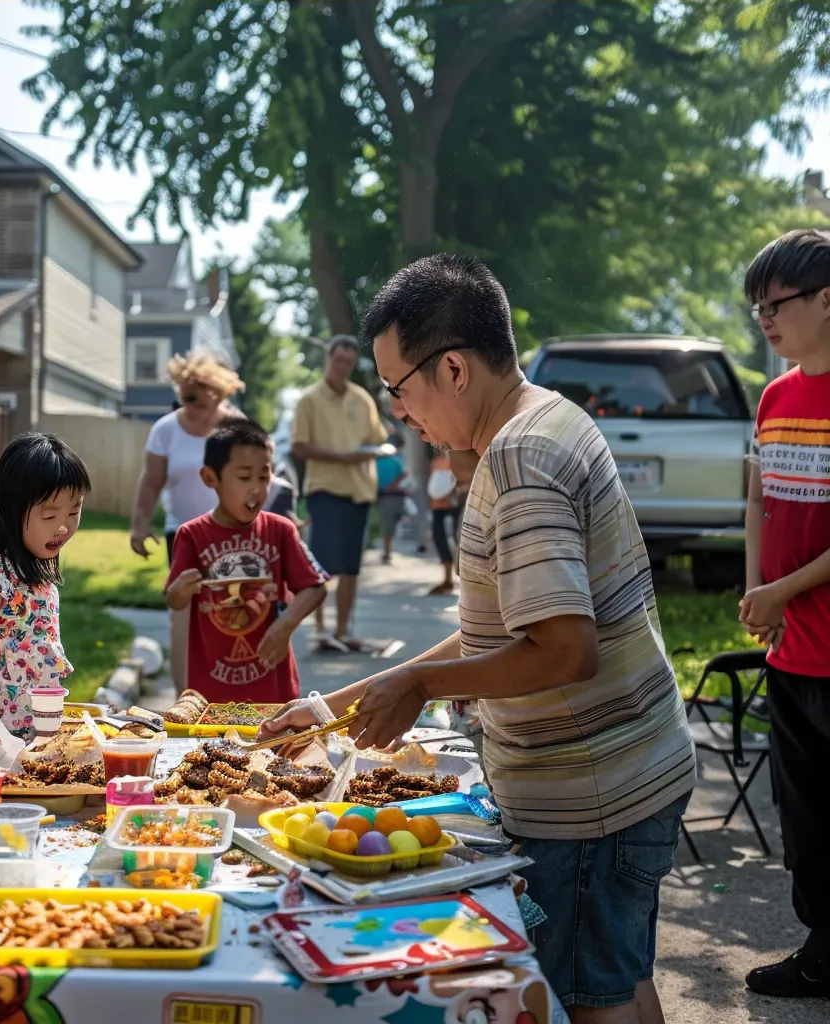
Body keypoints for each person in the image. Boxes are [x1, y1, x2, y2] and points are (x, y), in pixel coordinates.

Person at [262, 254, 695, 1024]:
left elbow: (564, 652)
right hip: (625, 775)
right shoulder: (546, 418)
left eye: (399, 388)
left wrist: (423, 686)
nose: (398, 412)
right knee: (618, 980)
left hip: (592, 794)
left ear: (453, 367)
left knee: (589, 1000)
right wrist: (333, 705)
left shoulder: (523, 456)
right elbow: (487, 636)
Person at [737, 228, 830, 1001]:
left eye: (777, 303)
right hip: (789, 649)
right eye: (757, 307)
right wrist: (756, 591)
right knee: (804, 819)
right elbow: (759, 499)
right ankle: (821, 953)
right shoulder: (774, 396)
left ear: (827, 299)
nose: (764, 318)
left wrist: (785, 589)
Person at [165, 418, 328, 704]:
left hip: (273, 688)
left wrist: (285, 625)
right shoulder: (192, 534)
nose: (257, 488)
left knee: (273, 748)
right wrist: (179, 590)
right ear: (210, 478)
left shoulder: (280, 530)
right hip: (211, 690)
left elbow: (315, 587)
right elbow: (176, 601)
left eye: (264, 477)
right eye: (244, 477)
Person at [0, 433, 90, 742]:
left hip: (38, 738)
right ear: (8, 512)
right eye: (49, 515)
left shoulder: (43, 579)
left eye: (74, 512)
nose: (63, 526)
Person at [129, 352, 245, 689]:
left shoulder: (236, 427)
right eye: (186, 399)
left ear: (219, 395)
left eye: (201, 401)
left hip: (230, 536)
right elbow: (151, 481)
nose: (193, 409)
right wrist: (139, 523)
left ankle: (227, 691)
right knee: (183, 616)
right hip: (182, 536)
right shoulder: (165, 430)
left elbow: (257, 480)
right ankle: (184, 697)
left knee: (229, 614)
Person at [290, 335, 388, 647]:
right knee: (322, 564)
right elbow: (299, 447)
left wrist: (373, 451)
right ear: (328, 359)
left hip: (359, 491)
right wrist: (342, 457)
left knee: (350, 567)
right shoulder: (309, 400)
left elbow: (379, 440)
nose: (342, 367)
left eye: (348, 362)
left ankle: (343, 630)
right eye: (338, 360)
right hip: (324, 490)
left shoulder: (362, 399)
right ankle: (320, 629)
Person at [427, 451, 459, 594]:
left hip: (451, 507)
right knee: (440, 540)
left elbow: (458, 482)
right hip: (437, 507)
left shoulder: (455, 459)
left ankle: (458, 578)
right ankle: (447, 579)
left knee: (455, 541)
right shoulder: (435, 462)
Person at [375, 436, 408, 565]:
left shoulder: (375, 464)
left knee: (386, 526)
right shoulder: (396, 462)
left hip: (384, 498)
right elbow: (404, 476)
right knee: (393, 525)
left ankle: (387, 553)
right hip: (398, 497)